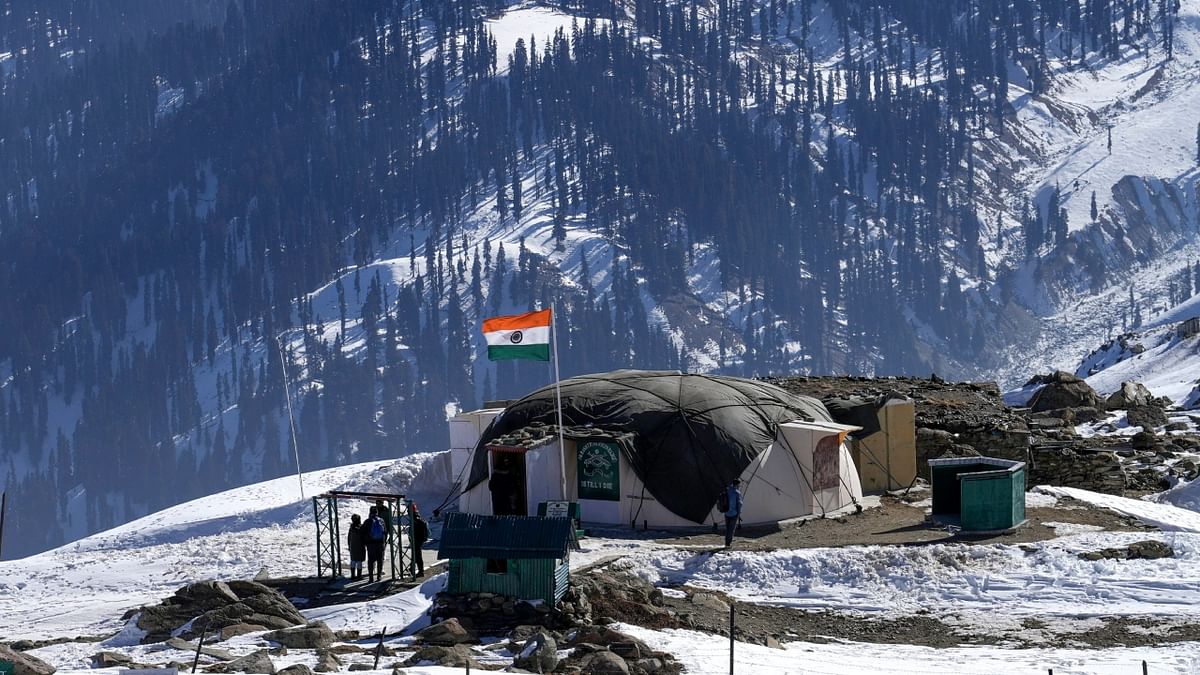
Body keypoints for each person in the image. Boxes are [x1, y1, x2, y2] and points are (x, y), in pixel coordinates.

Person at [365, 506, 387, 582]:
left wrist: (366, 542)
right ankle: (379, 576)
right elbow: (385, 532)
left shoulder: (368, 521)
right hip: (380, 544)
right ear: (377, 512)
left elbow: (363, 533)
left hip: (371, 544)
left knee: (371, 561)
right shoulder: (382, 520)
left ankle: (371, 578)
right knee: (380, 560)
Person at [410, 502, 429, 577]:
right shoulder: (418, 517)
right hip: (419, 539)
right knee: (416, 555)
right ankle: (413, 568)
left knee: (417, 555)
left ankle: (420, 571)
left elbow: (415, 530)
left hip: (417, 539)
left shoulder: (414, 519)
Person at [723, 479, 743, 549]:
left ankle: (726, 542)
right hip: (734, 513)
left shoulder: (727, 490)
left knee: (727, 528)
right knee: (731, 529)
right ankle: (728, 544)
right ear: (737, 485)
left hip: (726, 512)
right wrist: (739, 513)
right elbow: (739, 504)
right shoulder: (737, 493)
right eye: (739, 485)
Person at [347, 513, 366, 581]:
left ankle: (352, 575)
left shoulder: (351, 528)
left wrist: (349, 545)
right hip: (360, 546)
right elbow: (364, 537)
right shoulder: (361, 527)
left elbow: (349, 538)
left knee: (353, 560)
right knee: (359, 561)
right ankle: (359, 576)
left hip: (353, 546)